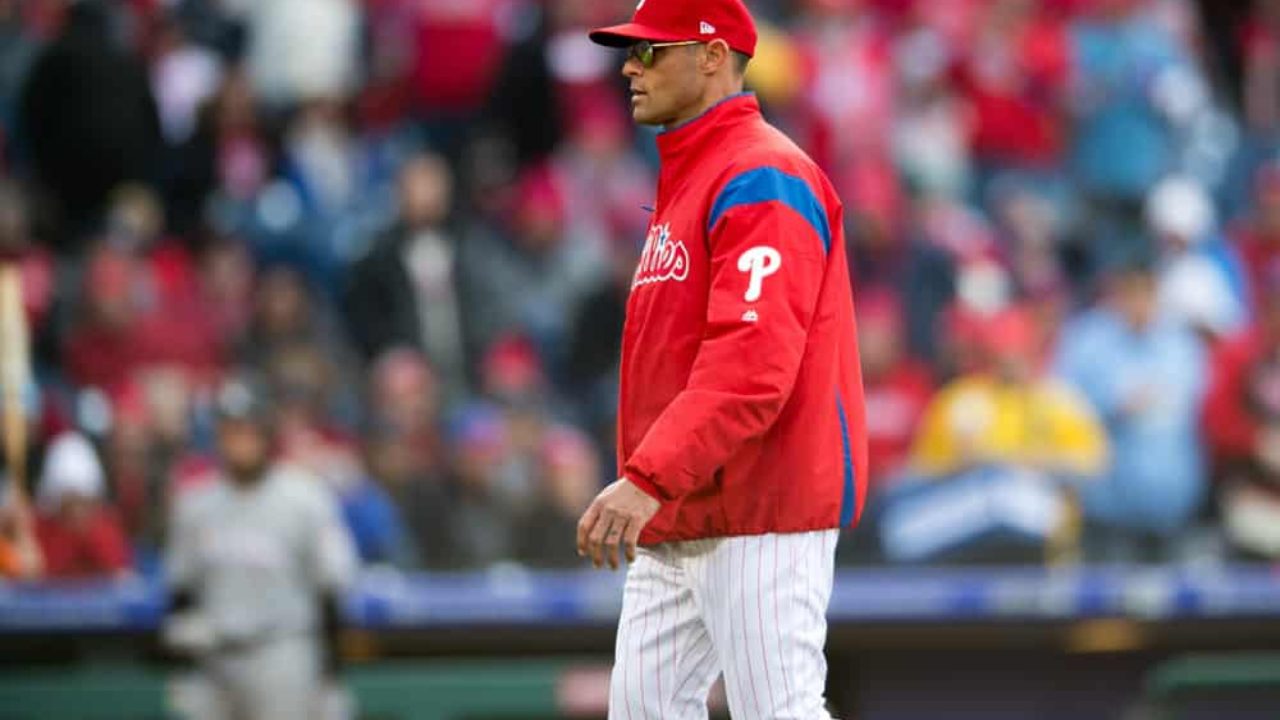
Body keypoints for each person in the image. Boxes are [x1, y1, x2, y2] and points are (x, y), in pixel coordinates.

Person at [579, 1, 868, 717]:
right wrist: (657, 486)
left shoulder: (763, 175)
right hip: (683, 509)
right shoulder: (693, 175)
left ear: (712, 57)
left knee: (780, 711)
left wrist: (646, 478)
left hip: (762, 503)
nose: (628, 67)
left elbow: (751, 368)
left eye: (650, 52)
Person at [163, 374, 357, 720]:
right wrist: (184, 663)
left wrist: (330, 671)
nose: (240, 442)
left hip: (282, 651)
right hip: (214, 657)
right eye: (231, 431)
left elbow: (330, 588)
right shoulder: (196, 503)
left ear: (267, 434)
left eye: (248, 430)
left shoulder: (304, 497)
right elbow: (180, 590)